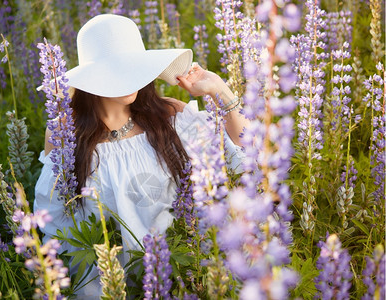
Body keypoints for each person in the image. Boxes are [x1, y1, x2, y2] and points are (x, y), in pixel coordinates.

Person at [34, 14, 247, 298]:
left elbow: (242, 156)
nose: (132, 79)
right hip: (108, 286)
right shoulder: (65, 135)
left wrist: (218, 89)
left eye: (136, 68)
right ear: (92, 79)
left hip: (183, 272)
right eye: (119, 70)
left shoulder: (169, 116)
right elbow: (53, 224)